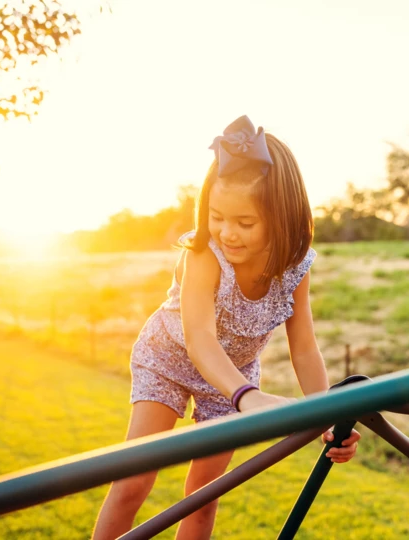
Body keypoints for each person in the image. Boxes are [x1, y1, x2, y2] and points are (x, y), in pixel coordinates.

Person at [92, 115, 360, 540]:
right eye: (217, 217)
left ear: (280, 215)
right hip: (170, 358)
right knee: (132, 483)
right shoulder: (204, 255)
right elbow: (200, 339)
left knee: (202, 497)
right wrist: (247, 398)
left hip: (232, 378)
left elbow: (305, 348)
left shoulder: (295, 266)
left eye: (245, 222)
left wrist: (325, 414)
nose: (227, 233)